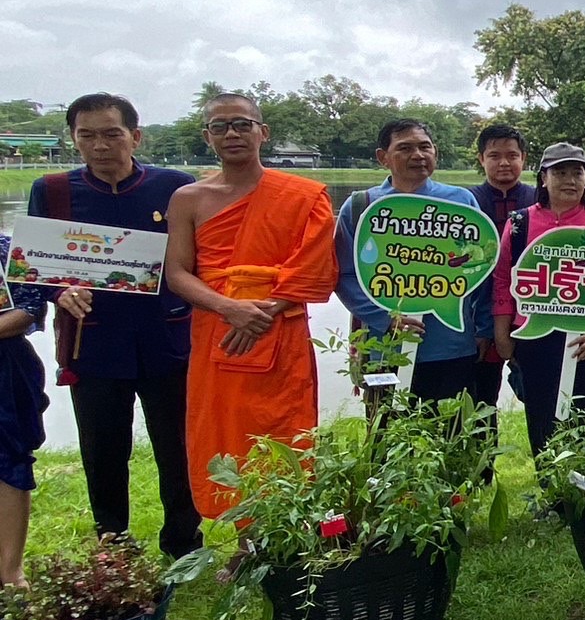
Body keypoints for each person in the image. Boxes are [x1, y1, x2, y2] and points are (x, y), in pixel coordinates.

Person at [27, 93, 202, 557]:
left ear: (135, 136)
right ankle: (114, 542)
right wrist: (58, 292)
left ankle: (184, 541)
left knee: (178, 449)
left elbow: (203, 258)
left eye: (111, 133)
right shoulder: (54, 190)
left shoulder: (177, 187)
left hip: (169, 338)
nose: (100, 145)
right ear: (74, 139)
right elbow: (35, 264)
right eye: (87, 135)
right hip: (95, 342)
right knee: (102, 450)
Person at [164, 93, 338, 520]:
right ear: (207, 137)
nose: (232, 134)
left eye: (242, 124)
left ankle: (283, 535)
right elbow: (177, 273)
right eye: (220, 126)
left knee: (283, 427)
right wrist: (229, 308)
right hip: (218, 335)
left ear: (263, 132)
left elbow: (315, 266)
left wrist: (262, 311)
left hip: (280, 334)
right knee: (226, 433)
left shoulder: (302, 195)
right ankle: (245, 540)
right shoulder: (189, 198)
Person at [335, 119, 493, 406]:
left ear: (436, 152)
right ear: (383, 157)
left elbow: (480, 269)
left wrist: (483, 328)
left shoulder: (461, 202)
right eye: (405, 148)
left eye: (425, 147)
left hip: (452, 346)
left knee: (450, 438)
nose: (418, 155)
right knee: (386, 437)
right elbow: (344, 276)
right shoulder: (361, 206)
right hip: (384, 348)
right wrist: (386, 319)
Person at [492, 143, 585, 457]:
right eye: (560, 172)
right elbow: (503, 280)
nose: (570, 180)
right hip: (536, 336)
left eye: (577, 172)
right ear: (543, 179)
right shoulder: (520, 224)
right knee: (542, 415)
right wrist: (502, 334)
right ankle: (551, 493)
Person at [468, 124, 537, 457]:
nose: (504, 163)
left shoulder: (539, 199)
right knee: (481, 396)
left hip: (531, 312)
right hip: (482, 314)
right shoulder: (468, 202)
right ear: (482, 159)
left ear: (524, 159)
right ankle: (481, 472)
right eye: (494, 156)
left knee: (537, 391)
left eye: (512, 155)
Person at [0, 238, 49, 587]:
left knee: (10, 462)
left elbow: (31, 308)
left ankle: (10, 572)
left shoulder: (9, 249)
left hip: (5, 368)